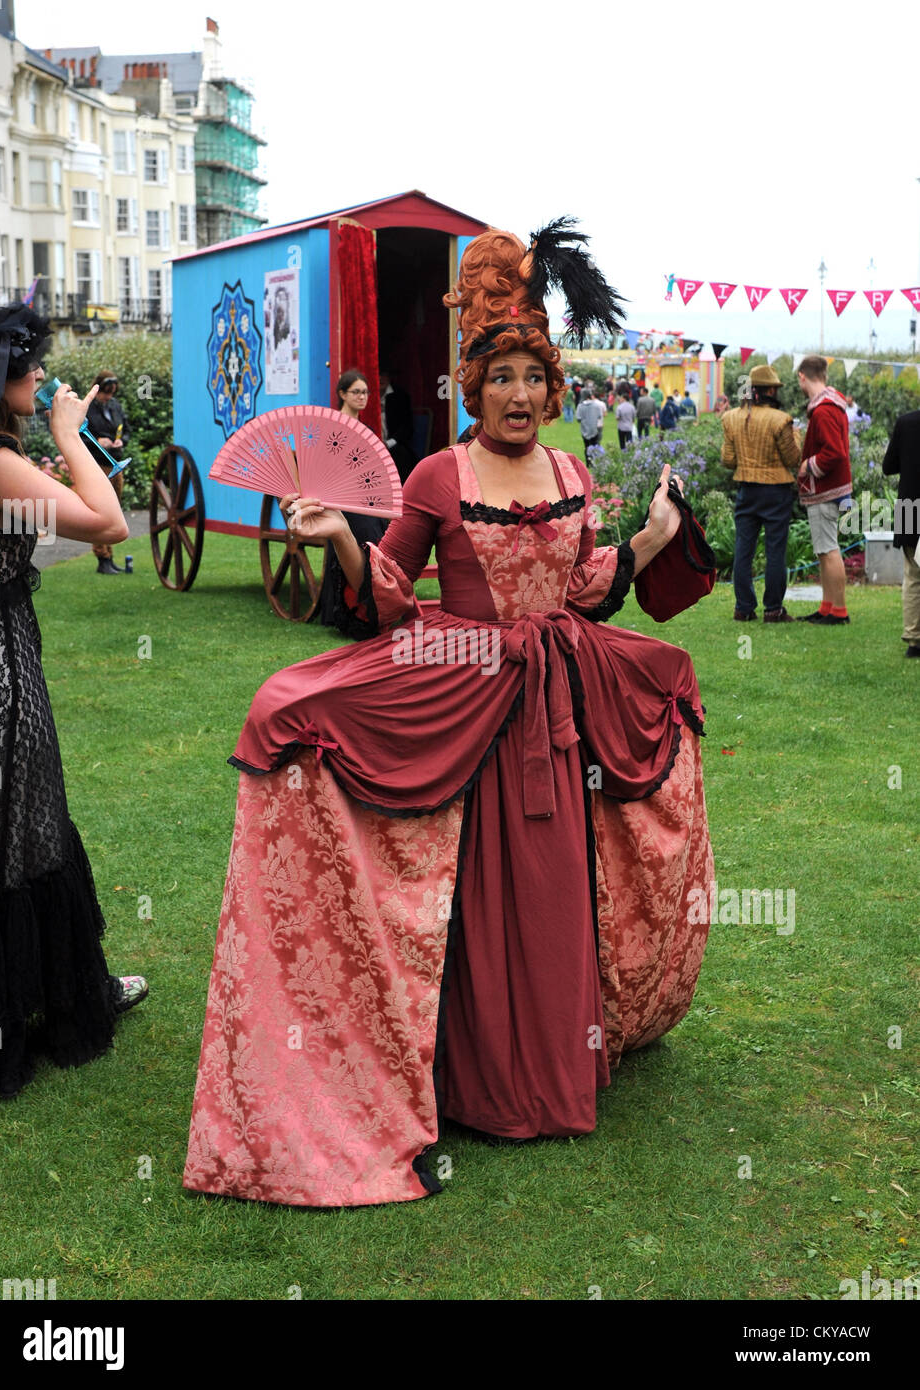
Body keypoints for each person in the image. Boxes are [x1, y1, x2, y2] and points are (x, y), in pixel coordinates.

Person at [183, 221, 714, 1208]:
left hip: (553, 701)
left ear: (554, 391)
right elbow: (390, 593)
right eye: (500, 376)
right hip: (463, 687)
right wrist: (341, 532)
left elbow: (588, 587)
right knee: (457, 876)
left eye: (532, 377)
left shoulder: (568, 475)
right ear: (471, 391)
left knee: (554, 884)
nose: (518, 393)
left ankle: (551, 1076)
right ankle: (464, 1080)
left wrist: (644, 540)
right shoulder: (436, 476)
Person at [0, 303, 148, 1109]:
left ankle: (14, 1005)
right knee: (19, 828)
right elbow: (108, 522)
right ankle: (48, 1006)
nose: (43, 375)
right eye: (31, 365)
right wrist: (70, 431)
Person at [720, 364, 801, 622]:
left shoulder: (731, 418)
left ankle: (743, 608)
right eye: (774, 388)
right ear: (768, 390)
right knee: (775, 550)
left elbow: (728, 460)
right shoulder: (781, 420)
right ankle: (773, 609)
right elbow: (792, 458)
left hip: (746, 489)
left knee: (743, 550)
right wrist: (797, 436)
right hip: (776, 491)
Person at [318, 369, 389, 627]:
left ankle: (382, 600)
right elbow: (326, 469)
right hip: (339, 500)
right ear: (342, 394)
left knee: (385, 524)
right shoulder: (333, 428)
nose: (362, 397)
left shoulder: (368, 430)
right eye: (356, 392)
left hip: (364, 497)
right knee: (367, 525)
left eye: (365, 393)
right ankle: (356, 605)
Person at [796, 355, 853, 625]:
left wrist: (808, 465)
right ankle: (827, 606)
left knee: (829, 549)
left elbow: (835, 453)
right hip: (831, 488)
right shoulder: (832, 406)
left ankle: (839, 610)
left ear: (802, 376)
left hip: (826, 490)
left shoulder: (823, 410)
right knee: (824, 549)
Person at [881, 407, 920, 657]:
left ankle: (915, 640)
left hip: (910, 508)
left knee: (913, 575)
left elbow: (888, 466)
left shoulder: (906, 423)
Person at [85, 370, 130, 575]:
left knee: (113, 510)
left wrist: (122, 440)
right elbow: (78, 435)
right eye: (105, 393)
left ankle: (110, 557)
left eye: (111, 393)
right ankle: (101, 557)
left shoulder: (116, 406)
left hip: (115, 462)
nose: (108, 397)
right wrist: (98, 441)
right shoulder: (87, 408)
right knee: (100, 512)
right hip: (97, 464)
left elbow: (126, 429)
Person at [378, 366, 417, 484]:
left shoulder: (400, 396)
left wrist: (388, 443)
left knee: (402, 455)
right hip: (374, 445)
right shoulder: (366, 396)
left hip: (394, 445)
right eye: (378, 374)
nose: (381, 378)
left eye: (384, 375)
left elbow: (407, 427)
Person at [575, 385, 605, 463]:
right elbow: (600, 416)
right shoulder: (596, 405)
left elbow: (578, 418)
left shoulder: (580, 406)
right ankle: (595, 461)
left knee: (587, 446)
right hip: (594, 430)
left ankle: (588, 462)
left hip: (584, 430)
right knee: (594, 446)